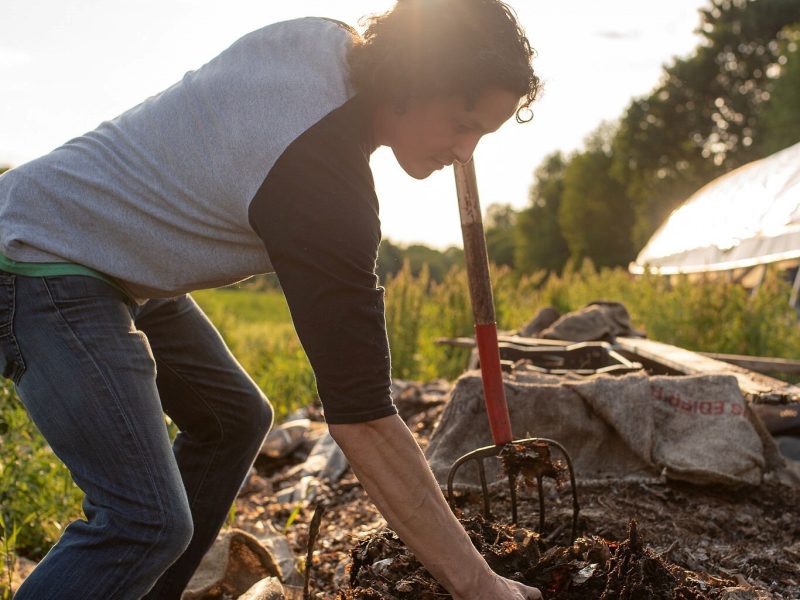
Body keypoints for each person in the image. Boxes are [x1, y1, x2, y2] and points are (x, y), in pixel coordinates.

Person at [0, 0, 543, 598]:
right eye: (464, 124)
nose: (466, 152)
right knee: (144, 520)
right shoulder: (321, 182)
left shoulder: (326, 42)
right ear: (414, 81)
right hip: (39, 257)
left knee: (233, 420)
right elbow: (363, 419)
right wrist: (478, 584)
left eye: (481, 134)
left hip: (108, 247)